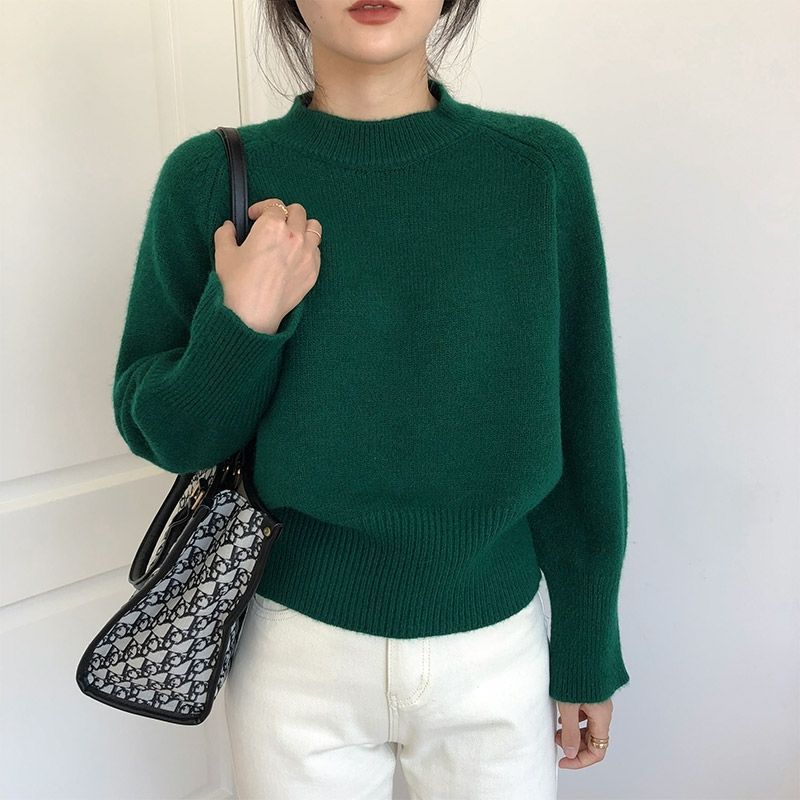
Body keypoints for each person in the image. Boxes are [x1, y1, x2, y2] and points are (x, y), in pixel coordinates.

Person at [112, 0, 631, 797]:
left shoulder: (537, 169)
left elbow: (583, 419)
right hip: (295, 653)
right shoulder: (212, 175)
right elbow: (173, 438)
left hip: (495, 649)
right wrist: (243, 321)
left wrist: (588, 641)